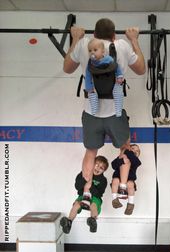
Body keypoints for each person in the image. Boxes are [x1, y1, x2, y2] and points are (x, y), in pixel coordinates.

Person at [63, 18, 145, 207]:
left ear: (94, 36)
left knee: (91, 152)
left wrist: (75, 38)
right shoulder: (122, 45)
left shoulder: (85, 45)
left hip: (90, 112)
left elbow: (67, 68)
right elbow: (141, 69)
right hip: (115, 112)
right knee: (125, 148)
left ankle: (86, 193)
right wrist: (134, 39)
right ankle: (124, 186)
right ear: (114, 35)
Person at [60, 156, 109, 233]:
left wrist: (91, 186)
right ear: (92, 164)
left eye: (101, 168)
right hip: (82, 196)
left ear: (104, 171)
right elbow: (77, 186)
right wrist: (84, 180)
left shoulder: (103, 180)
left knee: (93, 205)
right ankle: (69, 222)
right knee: (76, 205)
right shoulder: (83, 174)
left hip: (95, 198)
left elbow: (100, 193)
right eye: (97, 164)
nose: (98, 168)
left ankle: (93, 221)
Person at [85, 38, 124, 117]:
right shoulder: (90, 63)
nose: (92, 52)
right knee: (91, 94)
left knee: (118, 91)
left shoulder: (108, 59)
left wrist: (119, 76)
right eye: (90, 50)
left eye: (95, 50)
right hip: (96, 86)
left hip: (111, 84)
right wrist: (88, 86)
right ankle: (94, 110)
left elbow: (116, 67)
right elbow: (88, 75)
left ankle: (118, 110)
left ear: (103, 51)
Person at [111, 144, 141, 215]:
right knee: (115, 180)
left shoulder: (135, 161)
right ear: (129, 149)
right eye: (133, 148)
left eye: (137, 151)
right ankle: (115, 200)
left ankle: (130, 205)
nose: (135, 151)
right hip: (118, 180)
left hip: (129, 181)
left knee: (130, 184)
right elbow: (113, 165)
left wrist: (127, 152)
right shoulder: (122, 157)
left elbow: (136, 162)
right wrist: (122, 161)